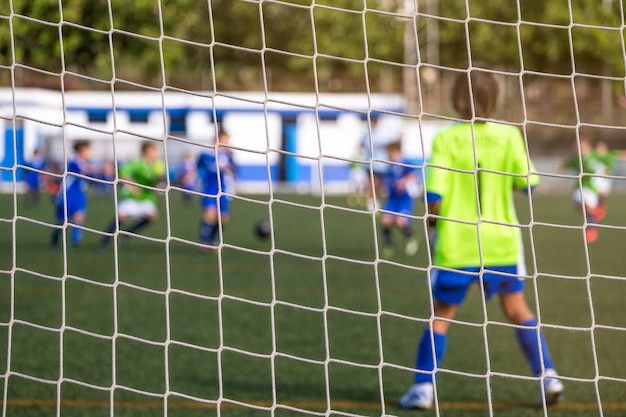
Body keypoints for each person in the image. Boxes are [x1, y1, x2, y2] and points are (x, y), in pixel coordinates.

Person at [399, 67, 563, 409]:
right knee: (517, 309)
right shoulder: (509, 135)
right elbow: (528, 184)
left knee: (441, 315)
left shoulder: (446, 139)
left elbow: (434, 197)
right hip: (501, 241)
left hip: (457, 244)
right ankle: (548, 376)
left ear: (455, 99)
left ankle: (422, 389)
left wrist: (432, 226)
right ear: (498, 98)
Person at [100, 141, 165, 247]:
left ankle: (129, 233)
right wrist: (132, 185)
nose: (156, 154)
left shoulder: (157, 165)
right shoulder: (136, 163)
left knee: (152, 217)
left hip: (146, 197)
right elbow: (122, 173)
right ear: (146, 152)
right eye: (153, 151)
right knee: (121, 217)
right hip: (131, 196)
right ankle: (105, 241)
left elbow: (155, 183)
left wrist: (159, 179)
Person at [380, 140, 420, 258]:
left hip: (404, 199)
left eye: (389, 152)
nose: (388, 155)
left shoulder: (404, 162)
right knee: (385, 221)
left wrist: (404, 181)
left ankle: (411, 237)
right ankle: (389, 245)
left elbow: (414, 174)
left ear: (395, 151)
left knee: (400, 222)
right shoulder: (389, 166)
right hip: (392, 198)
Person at [197, 130, 235, 248]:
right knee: (210, 215)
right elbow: (197, 168)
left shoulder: (228, 155)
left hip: (223, 190)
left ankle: (212, 239)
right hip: (209, 188)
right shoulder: (206, 154)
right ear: (217, 139)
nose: (227, 143)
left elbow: (234, 170)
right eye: (225, 140)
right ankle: (204, 242)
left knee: (223, 219)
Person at [51, 141, 91, 247]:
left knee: (79, 216)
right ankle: (55, 236)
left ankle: (75, 241)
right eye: (87, 150)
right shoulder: (73, 162)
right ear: (81, 151)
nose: (89, 153)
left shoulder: (84, 162)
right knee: (62, 220)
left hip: (79, 193)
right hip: (68, 194)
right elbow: (81, 171)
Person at [561, 137, 601, 243]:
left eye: (580, 144)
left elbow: (608, 156)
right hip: (579, 187)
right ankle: (592, 220)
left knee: (588, 208)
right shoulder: (576, 158)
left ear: (587, 145)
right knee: (579, 206)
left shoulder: (594, 155)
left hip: (591, 188)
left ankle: (591, 230)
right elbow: (567, 164)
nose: (578, 146)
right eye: (576, 144)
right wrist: (562, 166)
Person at [360, 115, 393, 211]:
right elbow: (362, 144)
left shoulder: (383, 134)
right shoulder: (367, 134)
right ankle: (370, 203)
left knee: (379, 185)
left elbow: (390, 146)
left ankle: (375, 201)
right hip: (370, 164)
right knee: (372, 183)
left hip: (382, 164)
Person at [591, 140, 619, 221]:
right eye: (598, 147)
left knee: (601, 195)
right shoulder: (593, 155)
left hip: (605, 179)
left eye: (602, 147)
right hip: (595, 178)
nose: (600, 149)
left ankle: (599, 212)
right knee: (596, 196)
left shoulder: (610, 155)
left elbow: (621, 154)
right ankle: (596, 211)